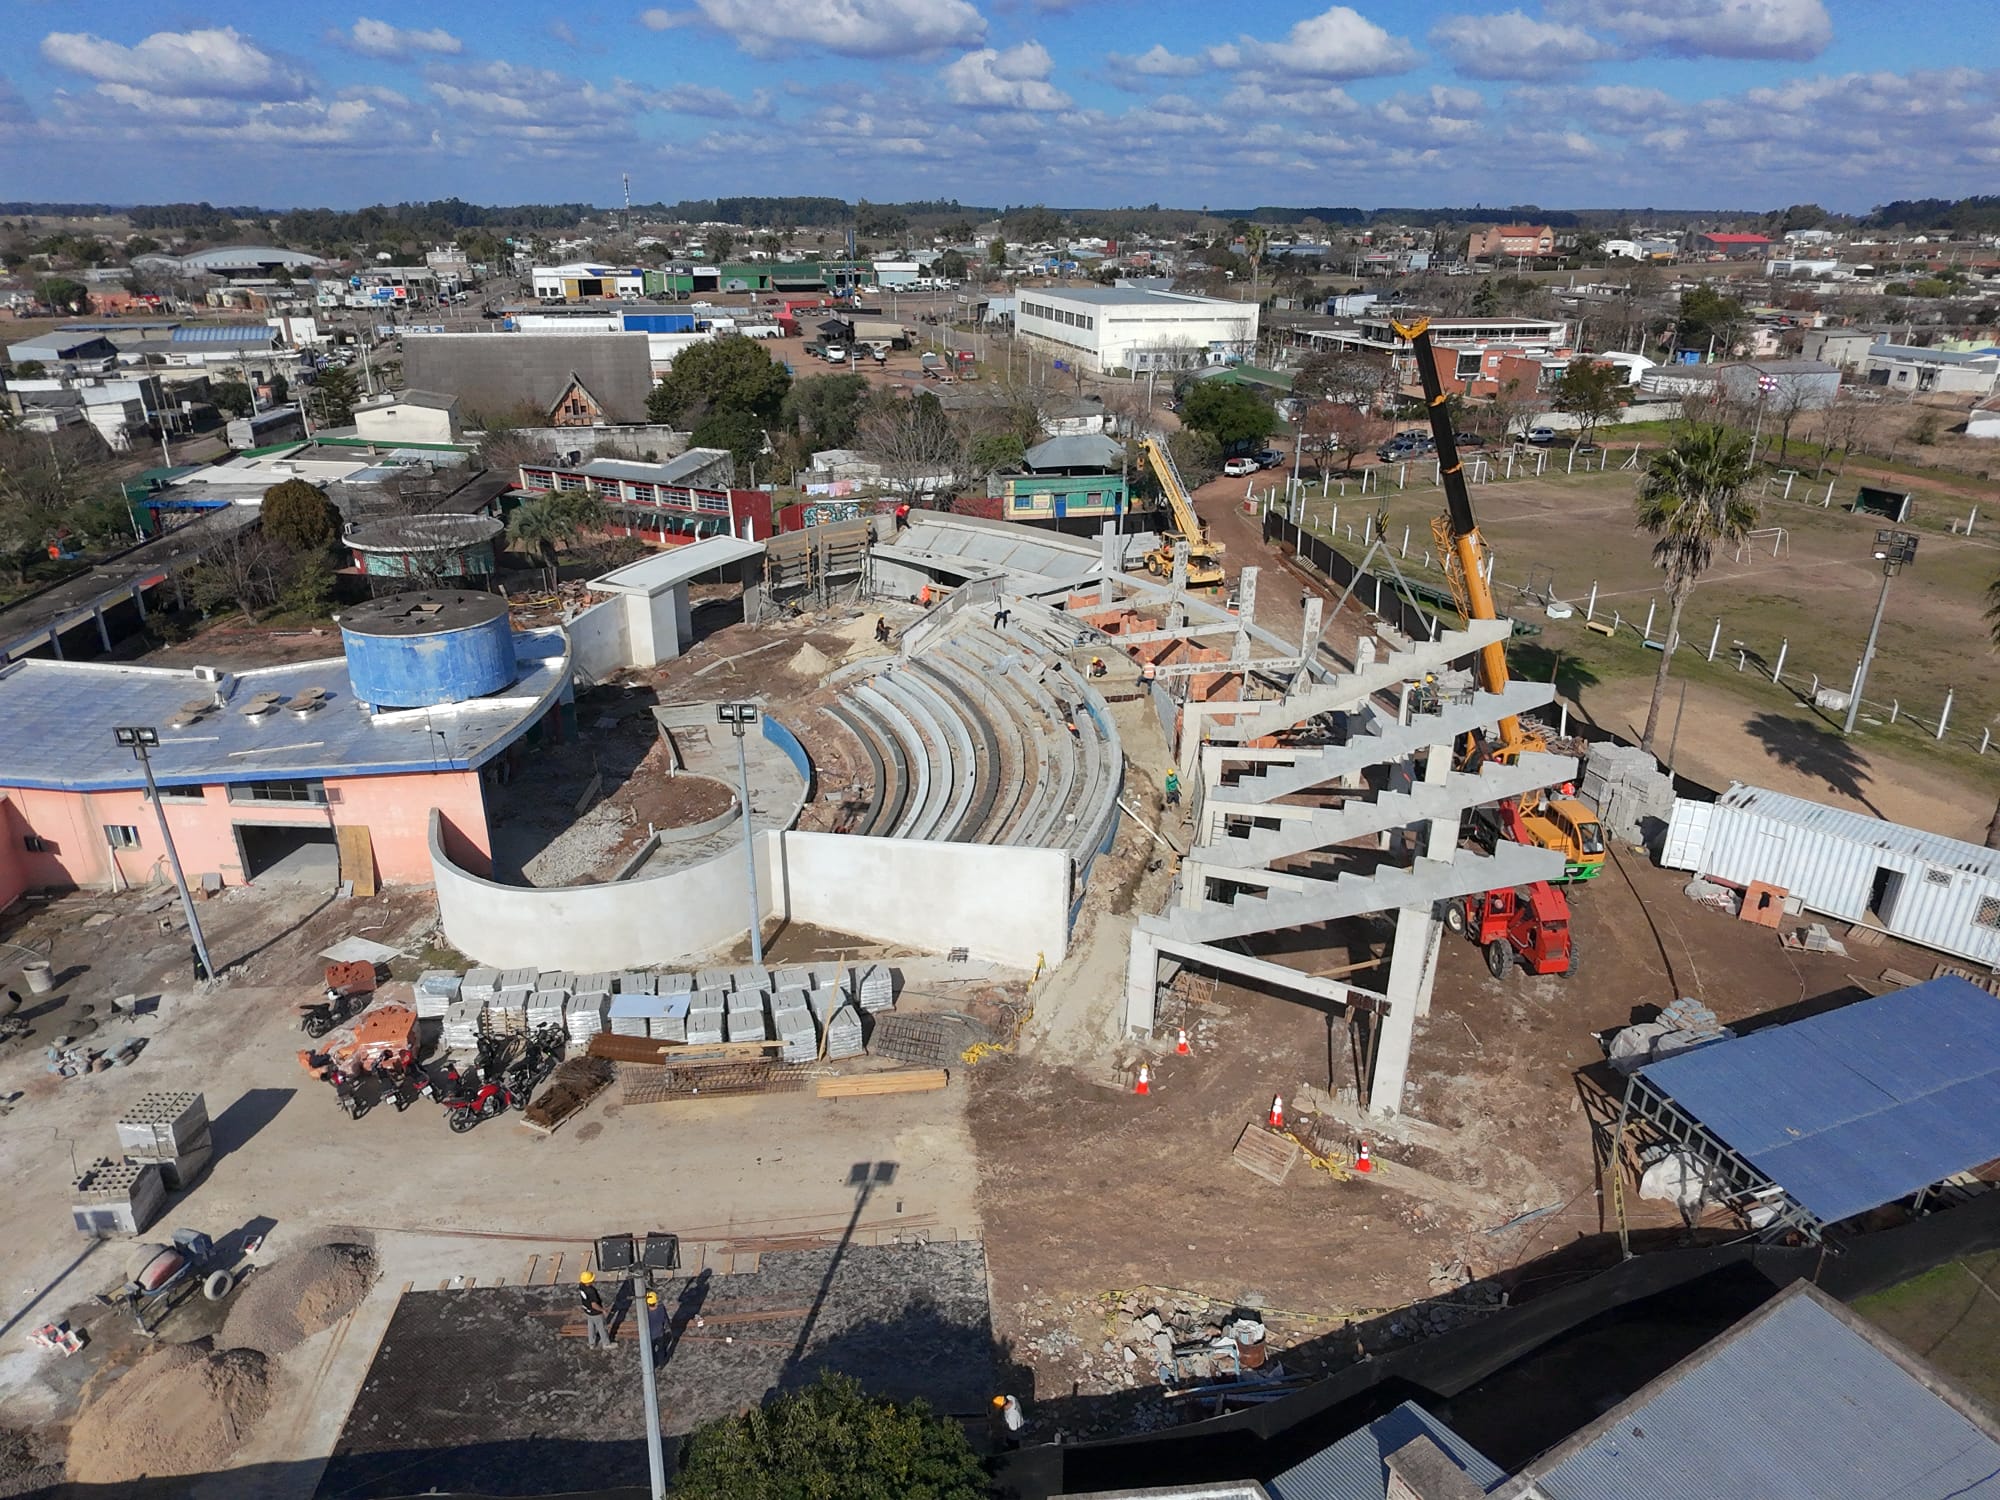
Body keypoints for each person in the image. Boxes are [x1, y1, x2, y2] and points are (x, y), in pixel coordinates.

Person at [578, 1271, 612, 1349]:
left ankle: (592, 1343)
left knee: (591, 1326)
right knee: (602, 1327)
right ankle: (606, 1344)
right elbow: (594, 1305)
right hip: (595, 1312)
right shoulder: (591, 1291)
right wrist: (602, 1310)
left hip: (587, 1310)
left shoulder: (581, 1285)